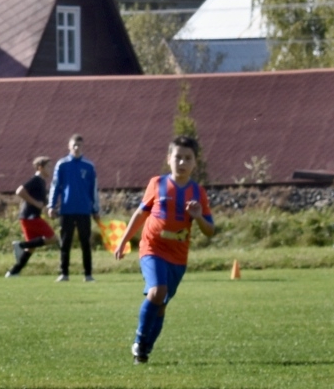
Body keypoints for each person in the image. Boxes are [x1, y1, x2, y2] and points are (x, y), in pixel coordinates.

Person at [113, 135, 215, 364]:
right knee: (158, 291)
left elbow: (210, 230)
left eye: (187, 158)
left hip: (178, 256)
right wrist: (123, 241)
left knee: (161, 305)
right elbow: (141, 214)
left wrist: (198, 217)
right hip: (152, 247)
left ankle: (144, 351)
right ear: (169, 158)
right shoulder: (157, 183)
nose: (182, 162)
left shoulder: (198, 192)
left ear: (195, 162)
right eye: (178, 157)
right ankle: (140, 339)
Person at [50, 135, 99, 282]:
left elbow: (93, 189)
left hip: (84, 210)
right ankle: (64, 273)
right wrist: (51, 205)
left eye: (79, 145)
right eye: (74, 145)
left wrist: (95, 209)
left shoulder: (89, 166)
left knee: (85, 243)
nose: (76, 148)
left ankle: (88, 274)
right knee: (65, 242)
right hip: (67, 210)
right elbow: (55, 186)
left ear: (82, 147)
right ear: (69, 147)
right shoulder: (62, 165)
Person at [6, 156, 55, 276]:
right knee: (53, 238)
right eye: (48, 167)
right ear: (40, 167)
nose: (51, 169)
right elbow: (19, 191)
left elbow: (40, 200)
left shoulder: (42, 181)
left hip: (27, 217)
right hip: (30, 217)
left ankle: (13, 272)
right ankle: (20, 245)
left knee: (31, 247)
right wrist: (35, 203)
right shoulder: (36, 179)